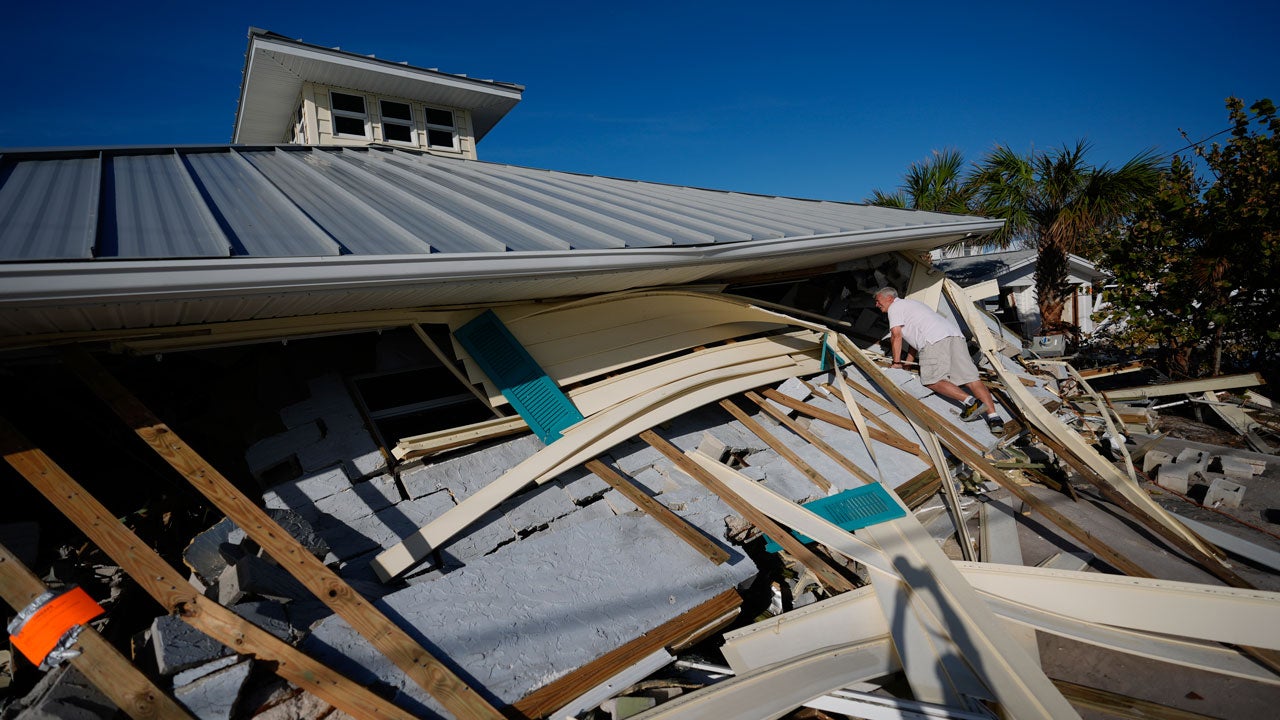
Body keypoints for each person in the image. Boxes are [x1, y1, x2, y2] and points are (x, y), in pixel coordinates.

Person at [873, 287, 1004, 434]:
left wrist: (896, 364)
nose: (876, 305)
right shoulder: (913, 305)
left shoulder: (895, 307)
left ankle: (972, 402)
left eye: (878, 301)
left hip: (934, 340)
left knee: (932, 380)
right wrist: (907, 365)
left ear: (889, 298)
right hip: (954, 336)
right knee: (971, 379)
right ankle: (995, 418)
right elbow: (913, 342)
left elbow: (896, 335)